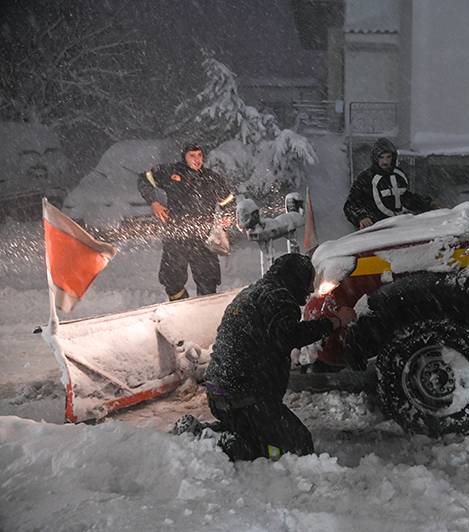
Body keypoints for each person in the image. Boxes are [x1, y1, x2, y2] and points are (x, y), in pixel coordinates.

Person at [198, 253, 355, 461]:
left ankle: (220, 434)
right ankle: (217, 443)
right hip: (244, 397)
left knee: (262, 435)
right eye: (308, 282)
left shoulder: (253, 293)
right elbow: (289, 335)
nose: (309, 290)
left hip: (221, 393)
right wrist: (333, 322)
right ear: (295, 278)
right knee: (298, 446)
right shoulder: (278, 297)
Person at [138, 144, 235, 301]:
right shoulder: (172, 173)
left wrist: (228, 217)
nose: (197, 159)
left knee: (208, 283)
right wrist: (153, 202)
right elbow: (144, 179)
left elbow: (229, 201)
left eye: (199, 155)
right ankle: (181, 312)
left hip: (204, 238)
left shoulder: (211, 178)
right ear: (184, 157)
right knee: (172, 282)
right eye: (192, 155)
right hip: (177, 236)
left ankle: (203, 315)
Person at [344, 137, 435, 229]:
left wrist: (428, 204)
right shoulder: (365, 178)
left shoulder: (399, 175)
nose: (385, 162)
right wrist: (361, 217)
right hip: (375, 229)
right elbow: (350, 204)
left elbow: (405, 197)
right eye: (381, 157)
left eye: (388, 157)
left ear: (393, 157)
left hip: (398, 227)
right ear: (375, 158)